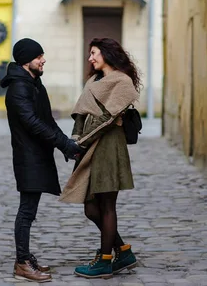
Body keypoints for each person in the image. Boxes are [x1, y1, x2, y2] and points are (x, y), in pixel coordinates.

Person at [1, 38, 86, 283]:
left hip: (38, 154)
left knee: (30, 210)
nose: (43, 60)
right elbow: (33, 123)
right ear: (27, 61)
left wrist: (67, 146)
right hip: (28, 156)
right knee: (26, 211)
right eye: (39, 57)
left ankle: (25, 257)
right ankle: (22, 263)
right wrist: (62, 144)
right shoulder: (19, 88)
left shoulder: (33, 83)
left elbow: (47, 120)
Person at [60, 38, 141, 279]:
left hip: (108, 147)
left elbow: (107, 119)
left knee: (106, 204)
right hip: (88, 145)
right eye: (90, 54)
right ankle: (122, 251)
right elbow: (80, 113)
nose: (90, 58)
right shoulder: (93, 80)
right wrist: (75, 137)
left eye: (94, 53)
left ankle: (106, 260)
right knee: (90, 208)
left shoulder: (122, 82)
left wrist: (80, 143)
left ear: (106, 53)